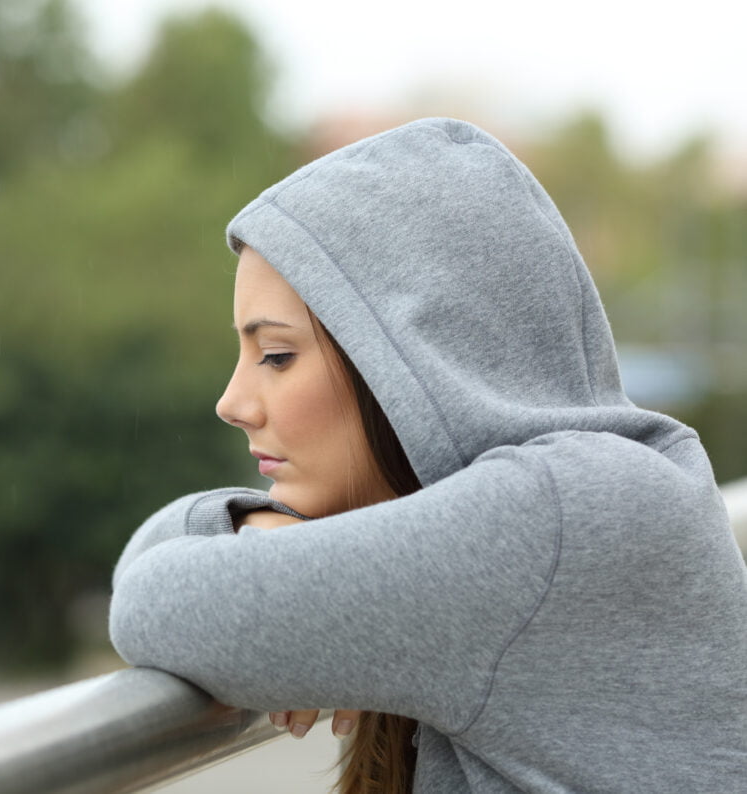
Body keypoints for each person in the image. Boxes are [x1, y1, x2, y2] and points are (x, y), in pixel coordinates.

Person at [108, 118, 747, 793]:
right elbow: (145, 577)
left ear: (409, 358)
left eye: (275, 355)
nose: (232, 401)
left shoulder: (559, 515)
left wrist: (252, 548)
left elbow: (148, 601)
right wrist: (253, 524)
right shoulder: (591, 492)